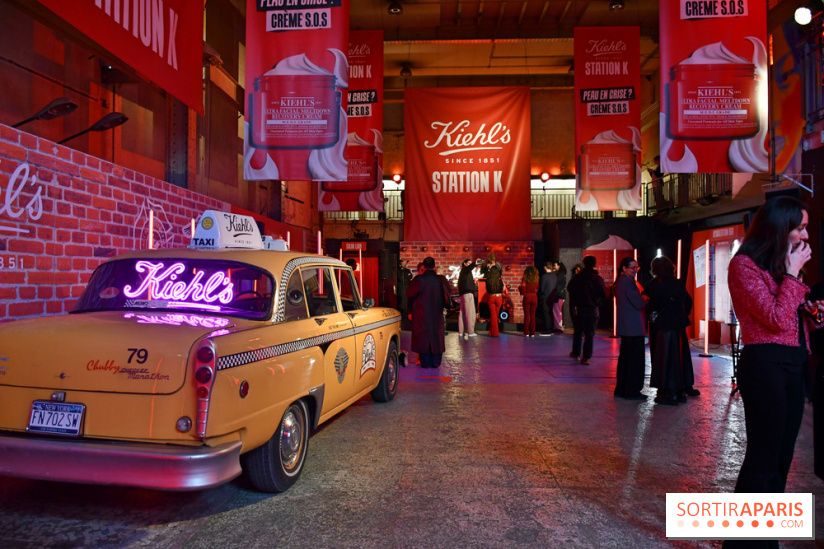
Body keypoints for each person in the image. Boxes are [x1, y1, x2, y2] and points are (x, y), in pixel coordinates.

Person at [724, 197, 824, 549]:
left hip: (794, 365)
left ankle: (766, 540)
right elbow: (776, 319)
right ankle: (742, 544)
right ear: (780, 228)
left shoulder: (781, 265)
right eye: (800, 228)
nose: (806, 235)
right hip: (765, 366)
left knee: (782, 458)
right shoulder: (744, 266)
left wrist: (812, 314)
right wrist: (794, 275)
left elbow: (792, 321)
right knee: (762, 458)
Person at [645, 256, 697, 406]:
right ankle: (681, 390)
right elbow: (688, 302)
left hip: (664, 326)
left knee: (665, 358)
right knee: (680, 357)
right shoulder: (678, 283)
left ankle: (669, 392)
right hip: (679, 325)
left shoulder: (656, 285)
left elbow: (652, 304)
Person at [406, 256, 452, 369]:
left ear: (424, 266)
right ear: (434, 266)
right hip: (437, 313)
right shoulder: (440, 280)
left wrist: (410, 311)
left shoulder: (418, 280)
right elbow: (448, 293)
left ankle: (425, 361)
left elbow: (409, 294)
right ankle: (436, 361)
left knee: (423, 336)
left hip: (421, 313)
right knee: (437, 336)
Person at [613, 256, 647, 400]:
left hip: (626, 327)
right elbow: (638, 303)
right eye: (633, 268)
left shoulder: (620, 282)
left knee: (626, 360)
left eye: (636, 267)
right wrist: (646, 298)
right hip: (633, 327)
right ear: (624, 268)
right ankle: (632, 391)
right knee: (634, 361)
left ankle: (622, 389)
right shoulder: (628, 282)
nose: (635, 270)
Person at [566, 256, 606, 365]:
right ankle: (587, 357)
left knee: (578, 332)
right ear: (595, 264)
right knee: (590, 334)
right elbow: (603, 293)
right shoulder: (598, 279)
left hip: (581, 308)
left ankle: (576, 353)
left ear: (584, 264)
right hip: (593, 309)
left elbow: (570, 289)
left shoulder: (578, 278)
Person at [457, 258, 478, 341]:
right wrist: (475, 263)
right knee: (470, 313)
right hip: (467, 293)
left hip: (464, 294)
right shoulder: (465, 270)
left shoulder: (464, 272)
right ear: (464, 264)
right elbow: (469, 267)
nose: (470, 264)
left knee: (462, 313)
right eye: (468, 263)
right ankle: (471, 331)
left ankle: (461, 331)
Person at [485, 260, 506, 337]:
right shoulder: (500, 280)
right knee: (495, 316)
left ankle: (493, 333)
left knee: (493, 316)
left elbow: (487, 290)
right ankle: (493, 332)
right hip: (499, 298)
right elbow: (502, 289)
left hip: (491, 297)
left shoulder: (488, 280)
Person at [519, 265, 540, 337]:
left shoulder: (525, 279)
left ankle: (526, 332)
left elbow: (522, 290)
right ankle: (532, 333)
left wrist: (520, 290)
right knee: (533, 315)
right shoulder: (536, 279)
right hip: (534, 297)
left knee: (526, 315)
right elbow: (537, 289)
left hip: (527, 297)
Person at [538, 261, 558, 336]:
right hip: (552, 297)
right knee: (551, 313)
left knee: (546, 313)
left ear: (545, 267)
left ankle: (547, 330)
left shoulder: (544, 276)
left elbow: (542, 288)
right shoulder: (554, 276)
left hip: (546, 297)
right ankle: (551, 329)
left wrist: (541, 296)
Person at [553, 261, 568, 334]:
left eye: (555, 265)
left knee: (556, 311)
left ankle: (558, 327)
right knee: (558, 311)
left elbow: (556, 283)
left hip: (559, 295)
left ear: (559, 266)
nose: (554, 267)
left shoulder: (560, 275)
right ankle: (559, 326)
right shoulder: (563, 274)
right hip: (561, 295)